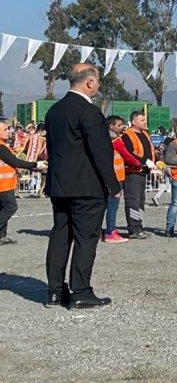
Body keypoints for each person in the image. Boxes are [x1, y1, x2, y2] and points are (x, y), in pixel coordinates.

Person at [43, 63, 120, 309]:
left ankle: (55, 291)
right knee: (86, 239)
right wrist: (112, 183)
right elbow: (100, 151)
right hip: (86, 187)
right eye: (97, 82)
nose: (98, 86)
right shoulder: (90, 112)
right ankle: (81, 291)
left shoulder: (54, 111)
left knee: (60, 236)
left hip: (60, 186)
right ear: (89, 83)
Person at [0, 121, 45, 246]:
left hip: (5, 183)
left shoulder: (3, 145)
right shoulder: (1, 146)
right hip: (3, 184)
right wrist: (35, 164)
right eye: (4, 129)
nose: (8, 131)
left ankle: (1, 236)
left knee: (2, 208)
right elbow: (15, 161)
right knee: (11, 207)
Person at [104, 116, 142, 243]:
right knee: (112, 206)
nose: (122, 127)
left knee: (104, 206)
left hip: (108, 175)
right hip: (116, 176)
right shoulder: (116, 140)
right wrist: (139, 164)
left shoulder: (103, 139)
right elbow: (127, 155)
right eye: (119, 125)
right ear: (111, 126)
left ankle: (103, 230)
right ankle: (110, 231)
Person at [121, 110, 157, 239]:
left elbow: (151, 151)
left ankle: (139, 225)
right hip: (133, 173)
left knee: (141, 202)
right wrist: (144, 161)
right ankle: (133, 229)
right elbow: (128, 153)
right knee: (133, 201)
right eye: (142, 120)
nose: (145, 122)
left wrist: (156, 161)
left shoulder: (145, 134)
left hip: (143, 173)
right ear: (134, 121)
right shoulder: (127, 135)